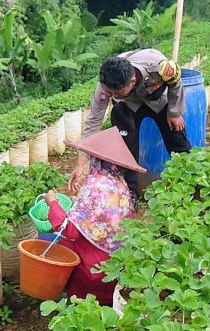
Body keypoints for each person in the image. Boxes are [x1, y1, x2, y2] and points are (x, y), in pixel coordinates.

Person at [70, 49, 191, 205]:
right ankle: (129, 195)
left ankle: (188, 182)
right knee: (124, 149)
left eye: (118, 92)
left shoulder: (158, 67)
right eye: (110, 92)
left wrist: (174, 112)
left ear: (132, 81)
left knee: (175, 134)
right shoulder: (105, 86)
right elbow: (93, 121)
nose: (112, 96)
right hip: (128, 105)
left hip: (157, 99)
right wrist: (81, 161)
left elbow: (175, 83)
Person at [40, 126, 145, 305]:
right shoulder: (119, 184)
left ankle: (59, 293)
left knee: (44, 239)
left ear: (97, 160)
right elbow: (99, 214)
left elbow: (68, 230)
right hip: (115, 268)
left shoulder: (94, 186)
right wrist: (77, 201)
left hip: (91, 270)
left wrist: (52, 202)